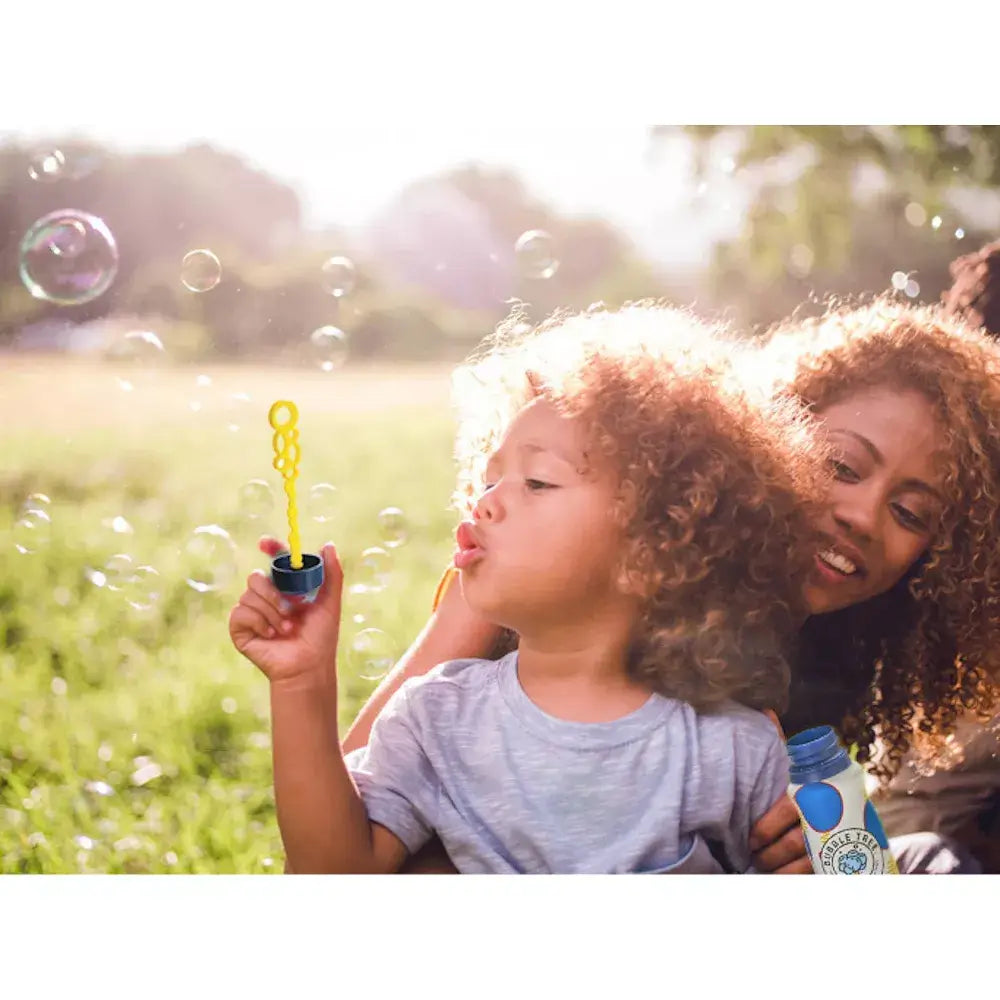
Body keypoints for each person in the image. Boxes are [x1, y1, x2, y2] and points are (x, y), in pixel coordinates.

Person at [335, 296, 1000, 875]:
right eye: (842, 465)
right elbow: (355, 803)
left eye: (912, 514)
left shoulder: (852, 647)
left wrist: (832, 851)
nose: (863, 516)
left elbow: (838, 864)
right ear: (767, 439)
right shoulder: (562, 576)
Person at [229, 303, 833, 873]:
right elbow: (335, 874)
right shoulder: (435, 717)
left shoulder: (730, 749)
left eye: (538, 481)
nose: (487, 502)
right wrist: (303, 683)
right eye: (488, 481)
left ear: (656, 546)